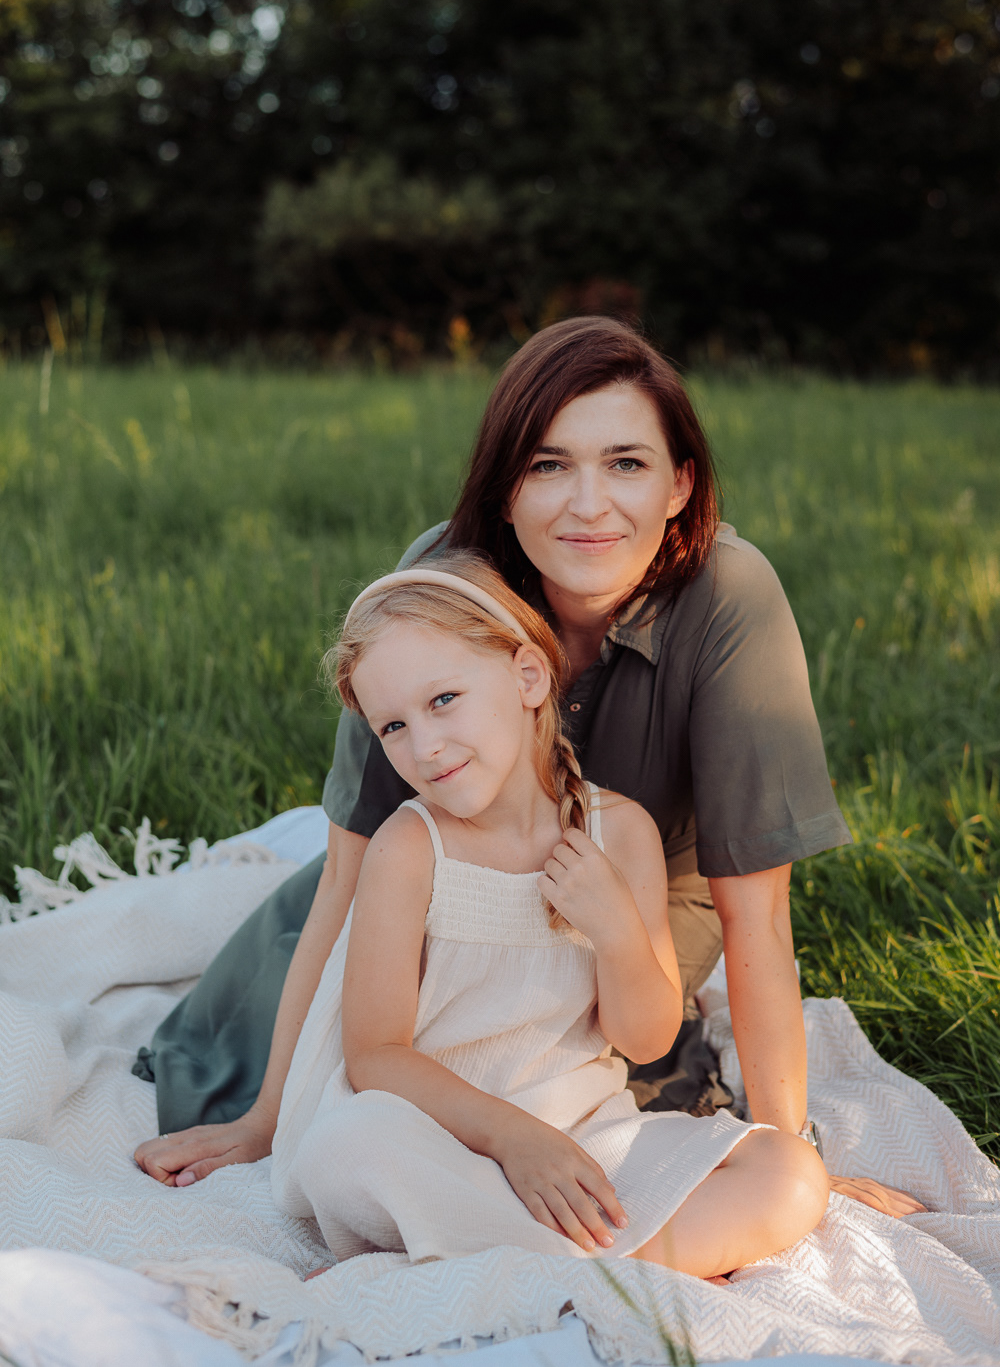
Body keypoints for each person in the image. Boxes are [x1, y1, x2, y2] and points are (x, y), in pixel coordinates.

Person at [134, 316, 923, 1221]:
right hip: (454, 859)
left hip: (641, 892)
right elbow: (350, 870)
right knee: (322, 1005)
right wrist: (268, 1118)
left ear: (679, 483)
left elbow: (758, 916)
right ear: (504, 488)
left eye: (626, 463)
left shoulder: (729, 599)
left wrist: (792, 1147)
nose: (589, 505)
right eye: (549, 465)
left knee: (620, 1074)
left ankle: (566, 1221)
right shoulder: (438, 592)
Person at [267, 553, 829, 1276]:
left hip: (581, 1135)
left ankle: (516, 1265)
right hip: (437, 1137)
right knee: (342, 1148)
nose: (424, 745)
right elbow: (374, 1054)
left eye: (444, 700)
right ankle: (591, 1268)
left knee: (789, 1173)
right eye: (393, 726)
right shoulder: (410, 848)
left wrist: (617, 928)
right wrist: (511, 1139)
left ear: (528, 677)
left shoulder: (619, 832)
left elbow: (646, 1038)